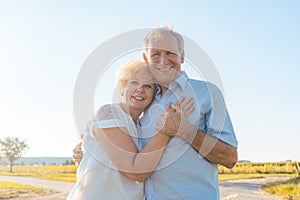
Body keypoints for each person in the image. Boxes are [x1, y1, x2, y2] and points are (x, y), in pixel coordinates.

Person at [74, 26, 238, 199]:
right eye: (155, 54)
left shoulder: (207, 93)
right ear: (146, 58)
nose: (163, 60)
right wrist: (89, 149)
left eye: (170, 53)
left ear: (182, 56)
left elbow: (230, 158)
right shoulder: (145, 104)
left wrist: (185, 130)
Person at [68, 60, 194, 200]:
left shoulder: (141, 128)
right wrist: (166, 129)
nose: (140, 89)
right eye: (134, 82)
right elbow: (136, 172)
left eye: (148, 86)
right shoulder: (108, 113)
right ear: (123, 88)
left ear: (153, 96)